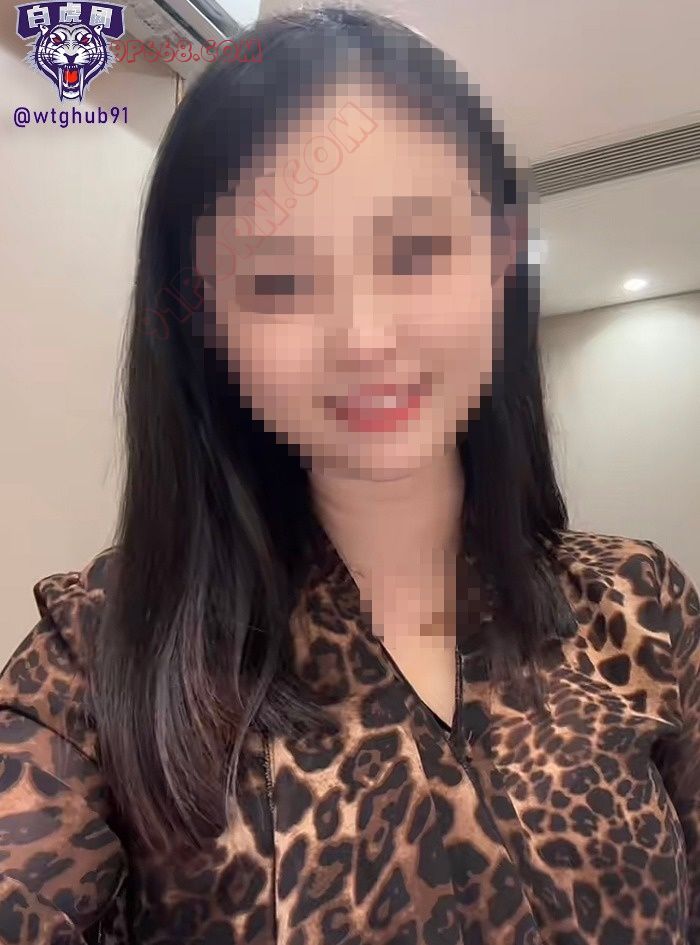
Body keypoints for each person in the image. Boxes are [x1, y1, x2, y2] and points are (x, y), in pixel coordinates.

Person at [1, 5, 698, 944]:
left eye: (416, 252)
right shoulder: (95, 656)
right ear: (208, 330)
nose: (366, 339)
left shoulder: (639, 602)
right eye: (279, 281)